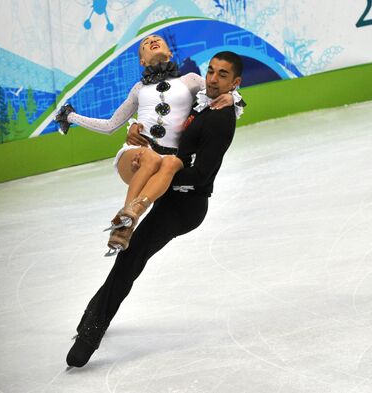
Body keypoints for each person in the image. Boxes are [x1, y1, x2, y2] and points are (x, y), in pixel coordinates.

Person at [66, 51, 243, 368]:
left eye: (223, 75)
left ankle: (90, 334)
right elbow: (171, 123)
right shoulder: (205, 98)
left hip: (187, 205)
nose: (214, 79)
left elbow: (202, 175)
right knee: (130, 256)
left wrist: (164, 179)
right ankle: (92, 317)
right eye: (212, 71)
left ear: (235, 81)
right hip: (171, 196)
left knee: (131, 257)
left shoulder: (219, 118)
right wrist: (136, 129)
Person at [55, 35, 244, 255]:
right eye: (145, 44)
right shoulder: (138, 89)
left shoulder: (191, 81)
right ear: (142, 61)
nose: (152, 40)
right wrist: (70, 117)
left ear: (170, 52)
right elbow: (109, 126)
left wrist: (234, 99)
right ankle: (126, 222)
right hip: (138, 154)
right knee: (151, 158)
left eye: (158, 39)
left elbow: (218, 90)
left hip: (168, 162)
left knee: (171, 162)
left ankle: (131, 214)